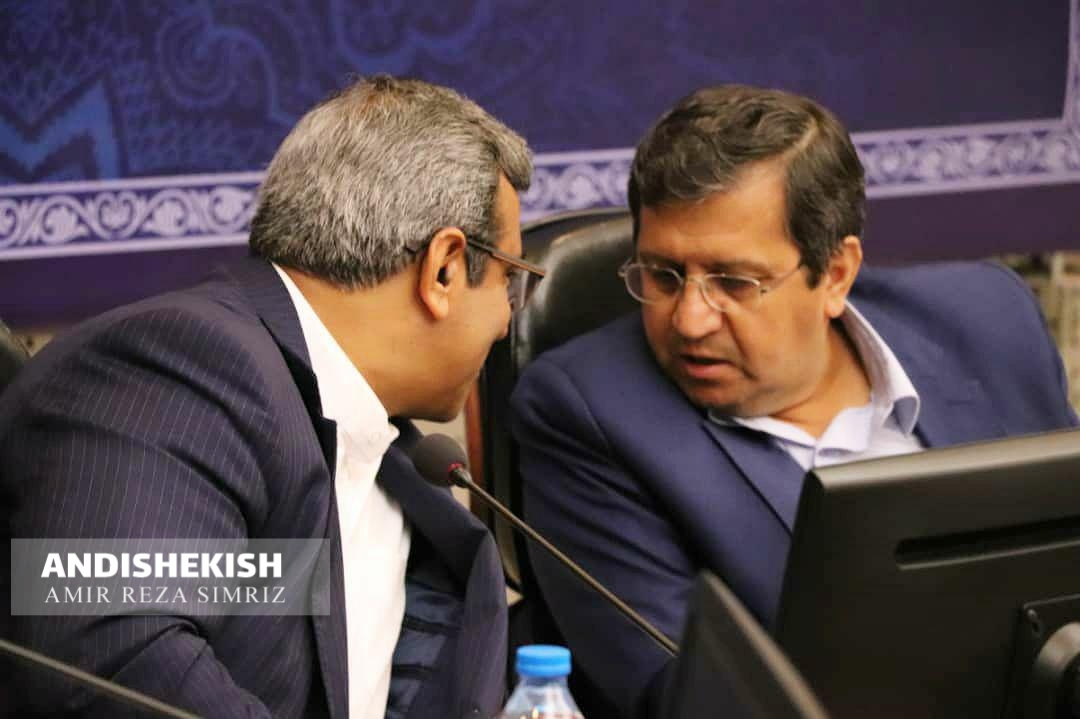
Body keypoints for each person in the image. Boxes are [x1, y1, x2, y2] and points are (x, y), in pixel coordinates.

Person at [509, 84, 1079, 718]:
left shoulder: (989, 322)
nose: (690, 319)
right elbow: (680, 700)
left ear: (834, 274)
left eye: (733, 282)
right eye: (663, 275)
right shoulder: (586, 412)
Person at [0, 75, 544, 719]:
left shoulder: (388, 454)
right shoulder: (180, 365)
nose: (506, 322)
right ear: (445, 269)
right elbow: (116, 657)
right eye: (509, 280)